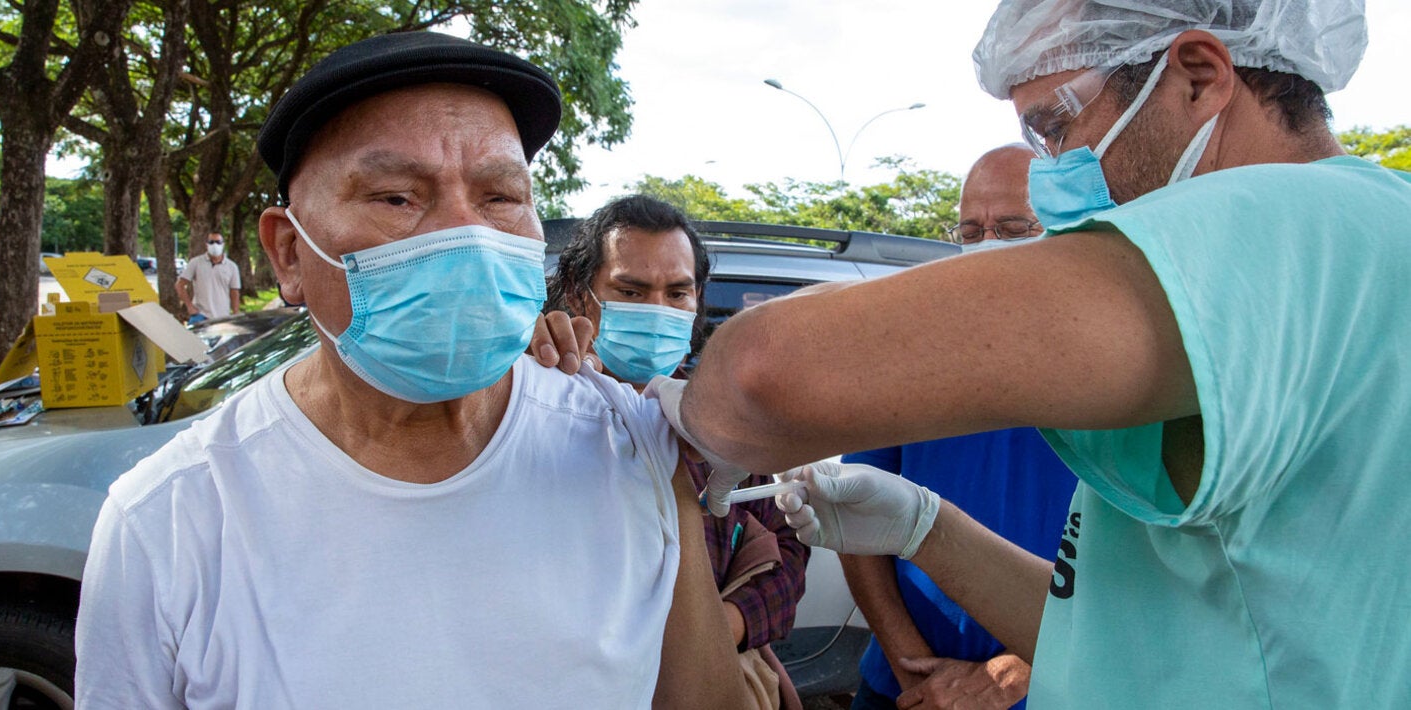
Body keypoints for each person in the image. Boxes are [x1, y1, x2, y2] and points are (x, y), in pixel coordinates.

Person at [566, 1, 1410, 707]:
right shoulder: (1350, 245)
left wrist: (697, 413)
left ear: (1197, 76)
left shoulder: (1287, 227)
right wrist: (926, 529)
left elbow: (766, 373)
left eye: (1056, 125)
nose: (1050, 173)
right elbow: (1114, 633)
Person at [74, 32, 754, 709]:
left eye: (499, 199)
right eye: (398, 197)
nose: (466, 233)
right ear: (287, 253)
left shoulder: (628, 450)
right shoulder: (168, 519)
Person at [546, 194, 809, 709]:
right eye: (631, 290)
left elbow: (788, 559)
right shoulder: (542, 399)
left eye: (677, 293)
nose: (658, 310)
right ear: (581, 298)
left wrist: (707, 634)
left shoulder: (723, 418)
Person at [841, 145, 1076, 710]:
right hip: (901, 687)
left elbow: (1150, 557)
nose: (987, 247)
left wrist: (1021, 667)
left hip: (1051, 687)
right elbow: (856, 517)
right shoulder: (907, 353)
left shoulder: (1113, 367)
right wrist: (909, 667)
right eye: (971, 230)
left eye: (1014, 227)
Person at [175, 231, 241, 323]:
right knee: (192, 337)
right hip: (200, 315)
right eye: (211, 242)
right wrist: (189, 306)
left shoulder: (232, 267)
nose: (215, 245)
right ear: (206, 245)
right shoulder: (196, 263)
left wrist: (235, 313)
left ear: (223, 244)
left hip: (222, 316)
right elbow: (180, 284)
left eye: (218, 242)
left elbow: (234, 292)